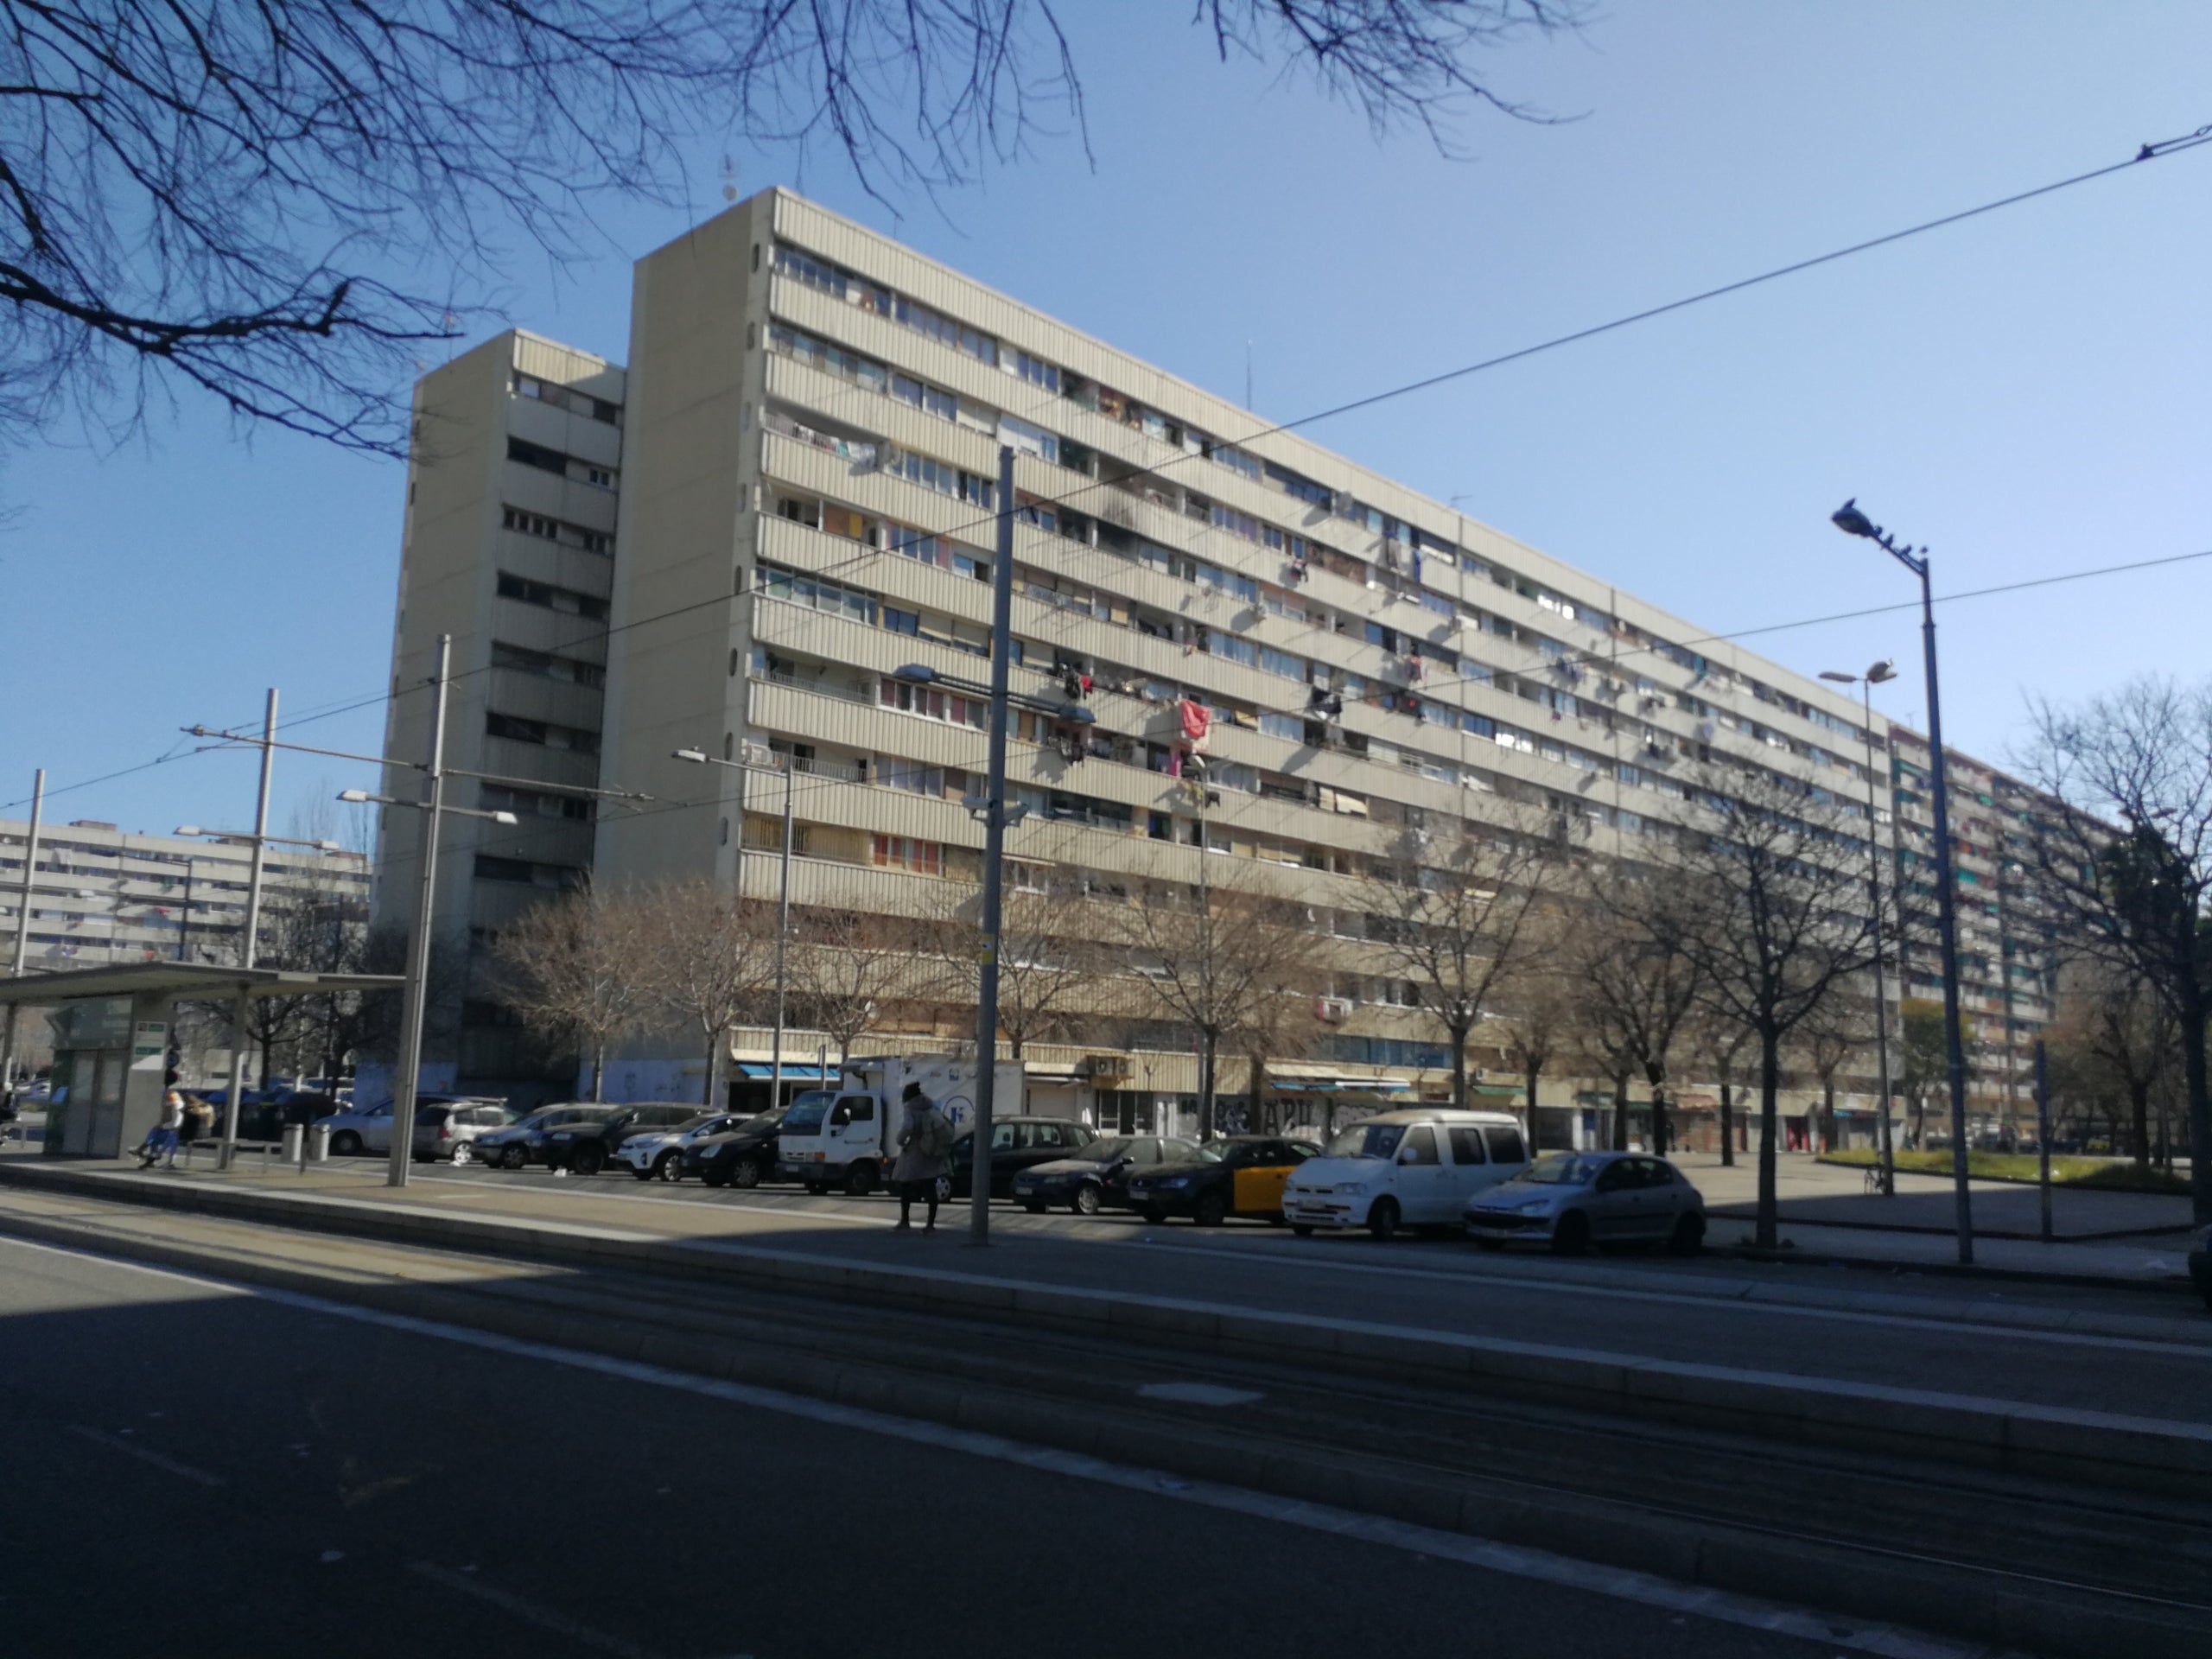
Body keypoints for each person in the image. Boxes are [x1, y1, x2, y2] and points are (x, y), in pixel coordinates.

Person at [891, 1082, 955, 1233]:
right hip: (931, 1151)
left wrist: (900, 1140)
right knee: (930, 1187)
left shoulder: (910, 1108)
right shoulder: (931, 1106)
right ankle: (930, 1224)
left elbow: (908, 1126)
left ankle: (905, 1221)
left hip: (915, 1151)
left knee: (905, 1185)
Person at [139, 1090, 187, 1168]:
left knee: (157, 1135)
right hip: (171, 1131)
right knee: (155, 1132)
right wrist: (161, 1125)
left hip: (175, 1132)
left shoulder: (175, 1107)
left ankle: (148, 1148)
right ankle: (149, 1150)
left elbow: (175, 1124)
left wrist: (162, 1126)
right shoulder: (171, 1107)